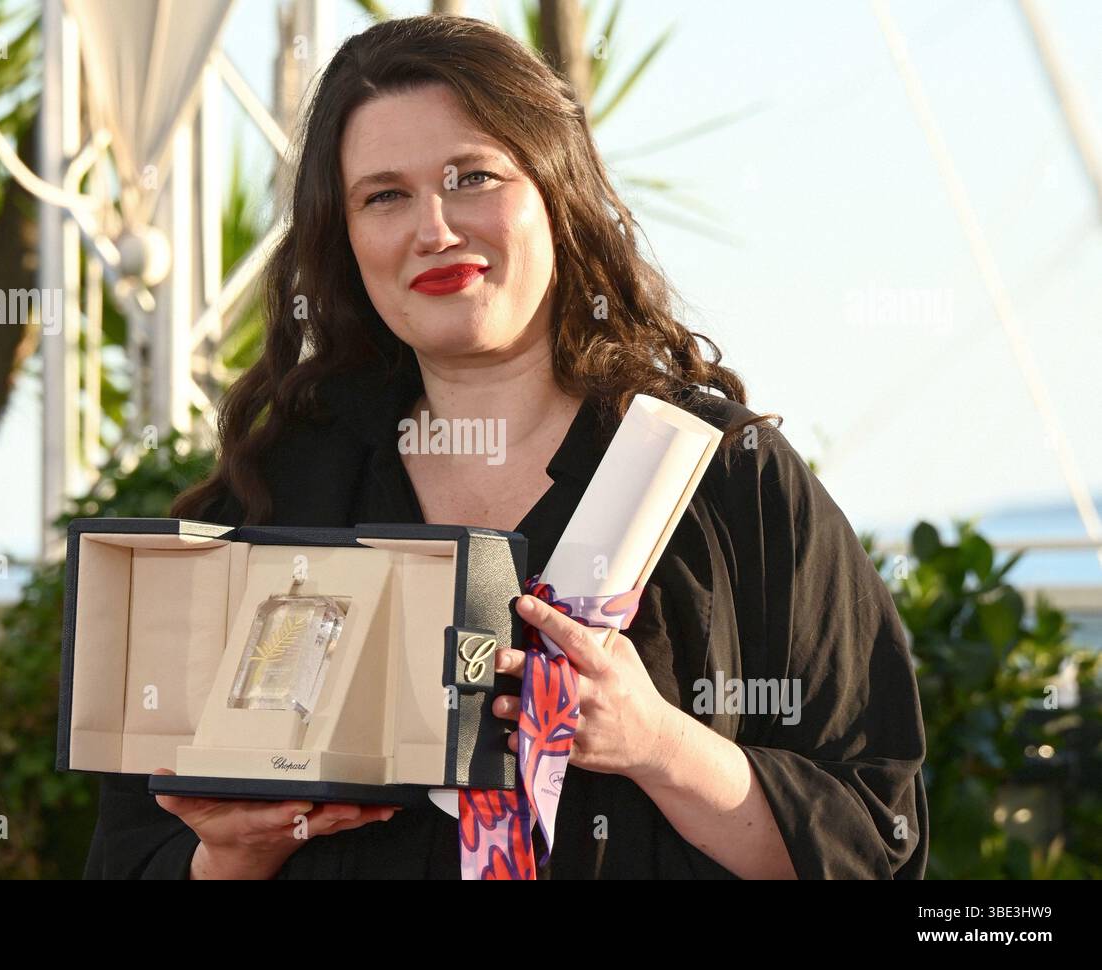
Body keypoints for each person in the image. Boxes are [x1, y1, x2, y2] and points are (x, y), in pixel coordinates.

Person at [83, 14, 928, 880]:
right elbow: (132, 858)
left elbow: (876, 844)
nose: (435, 229)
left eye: (472, 177)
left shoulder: (726, 482)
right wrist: (231, 855)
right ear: (345, 238)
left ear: (555, 192)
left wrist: (657, 744)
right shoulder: (275, 500)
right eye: (384, 195)